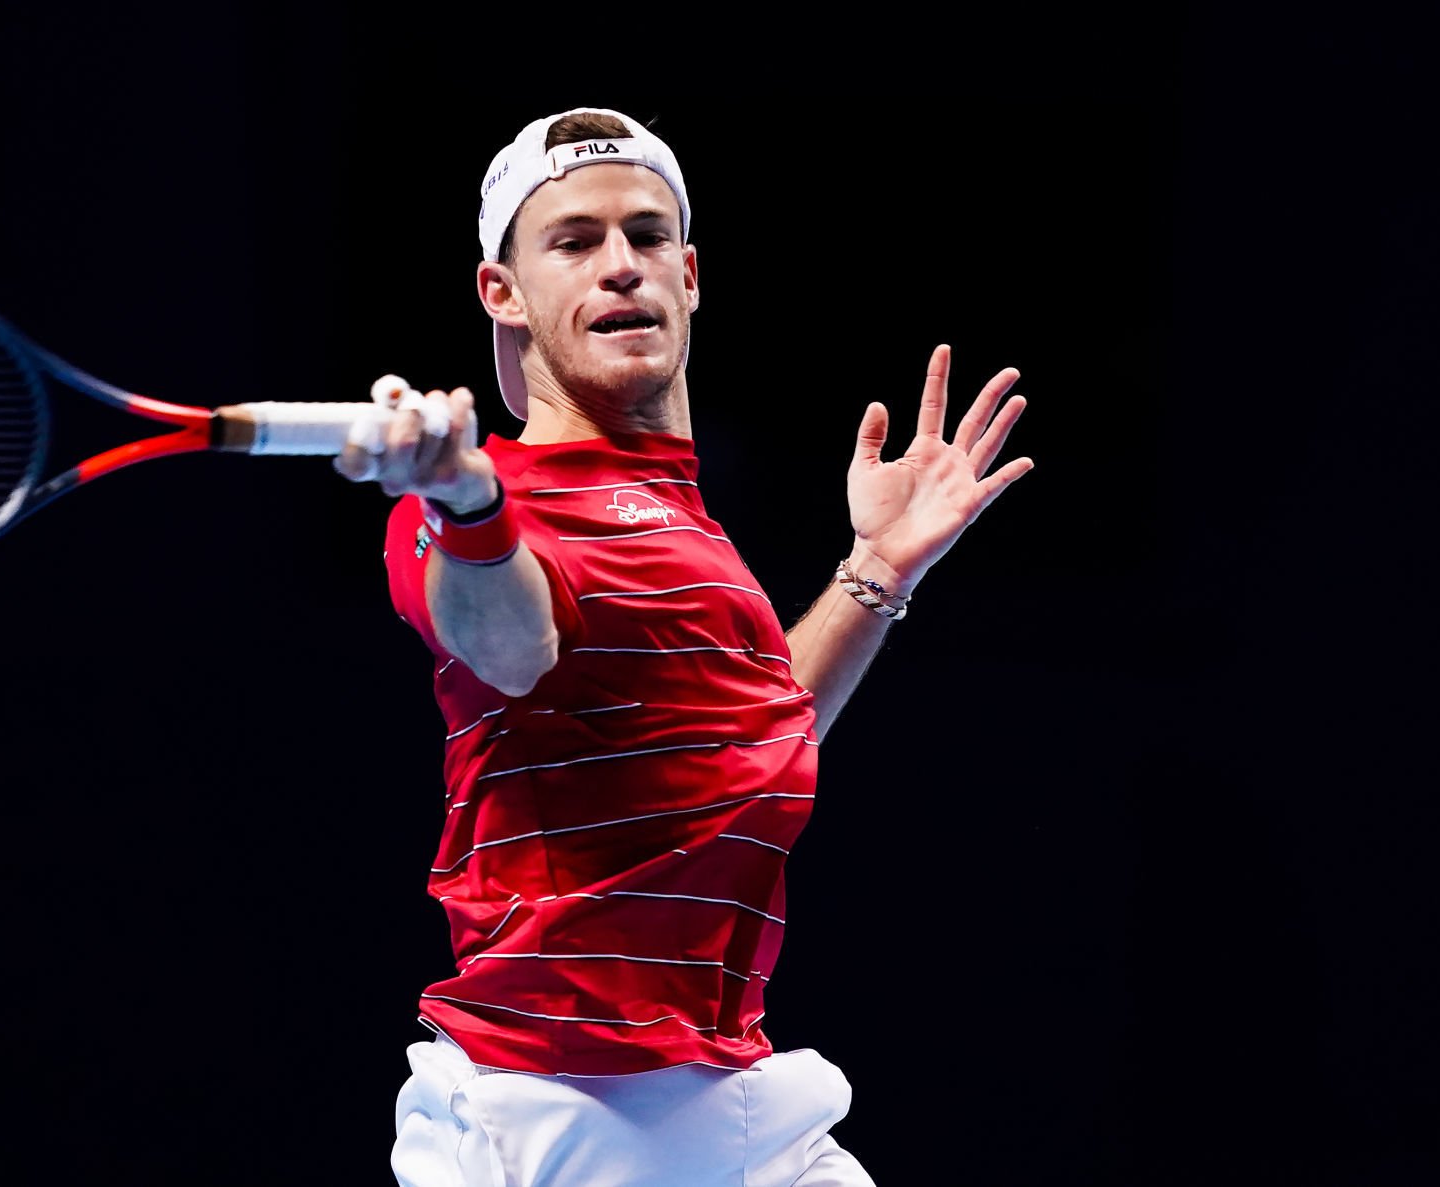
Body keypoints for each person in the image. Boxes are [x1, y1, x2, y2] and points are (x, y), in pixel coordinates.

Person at [335, 107, 1033, 1187]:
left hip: (735, 1088)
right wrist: (466, 502)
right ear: (503, 293)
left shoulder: (685, 524)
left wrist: (878, 570)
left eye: (646, 235)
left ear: (690, 273)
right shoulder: (485, 509)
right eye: (574, 241)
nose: (620, 264)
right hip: (550, 1102)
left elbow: (752, 736)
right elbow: (510, 648)